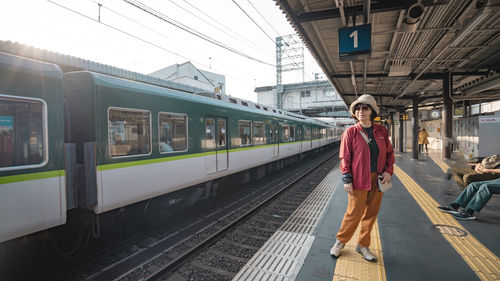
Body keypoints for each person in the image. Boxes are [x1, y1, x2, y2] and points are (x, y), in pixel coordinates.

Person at [330, 94, 395, 262]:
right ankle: (340, 242)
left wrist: (388, 171)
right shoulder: (350, 132)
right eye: (357, 108)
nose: (360, 111)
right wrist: (347, 178)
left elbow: (389, 154)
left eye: (365, 108)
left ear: (372, 111)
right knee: (353, 213)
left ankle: (363, 245)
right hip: (359, 178)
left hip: (378, 179)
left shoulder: (381, 131)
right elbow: (345, 157)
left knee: (371, 214)